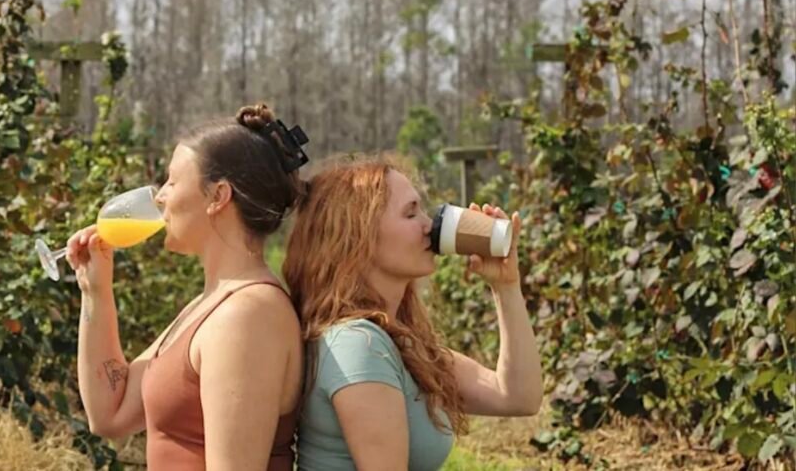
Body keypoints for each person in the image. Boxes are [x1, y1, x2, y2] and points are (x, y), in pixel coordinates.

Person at [67, 104, 308, 470]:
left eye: (172, 181)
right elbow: (109, 414)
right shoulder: (212, 304)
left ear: (218, 196)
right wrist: (95, 291)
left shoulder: (247, 316)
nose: (160, 197)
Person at [283, 154, 543, 471]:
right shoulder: (358, 344)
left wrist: (506, 285)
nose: (429, 226)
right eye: (410, 213)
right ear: (358, 237)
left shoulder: (398, 340)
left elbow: (517, 396)